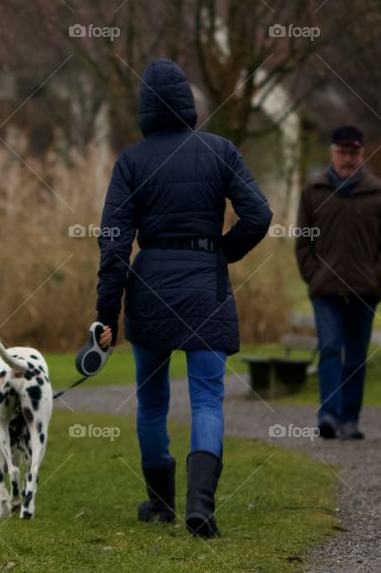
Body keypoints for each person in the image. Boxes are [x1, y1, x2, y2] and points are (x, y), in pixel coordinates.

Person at [93, 58, 272, 538]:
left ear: (145, 108)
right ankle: (201, 506)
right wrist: (220, 252)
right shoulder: (221, 150)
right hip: (205, 287)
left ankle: (159, 505)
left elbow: (113, 243)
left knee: (151, 401)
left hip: (148, 286)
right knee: (207, 398)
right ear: (188, 105)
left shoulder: (131, 161)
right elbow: (259, 215)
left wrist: (105, 314)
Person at [295, 126, 381, 441]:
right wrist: (312, 274)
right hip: (325, 290)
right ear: (332, 153)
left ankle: (350, 419)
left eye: (353, 153)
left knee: (355, 356)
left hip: (364, 290)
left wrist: (378, 274)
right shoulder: (313, 191)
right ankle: (328, 415)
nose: (347, 158)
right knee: (330, 349)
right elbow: (303, 242)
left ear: (362, 154)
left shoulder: (379, 193)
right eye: (342, 152)